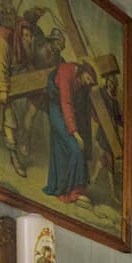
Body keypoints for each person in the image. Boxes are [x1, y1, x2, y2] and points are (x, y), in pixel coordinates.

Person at [42, 58, 91, 204]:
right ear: (83, 71)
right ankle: (74, 191)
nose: (89, 82)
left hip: (66, 112)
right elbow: (66, 103)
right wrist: (75, 133)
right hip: (57, 110)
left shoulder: (81, 81)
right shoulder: (66, 72)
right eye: (89, 78)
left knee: (61, 147)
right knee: (75, 147)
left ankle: (59, 187)